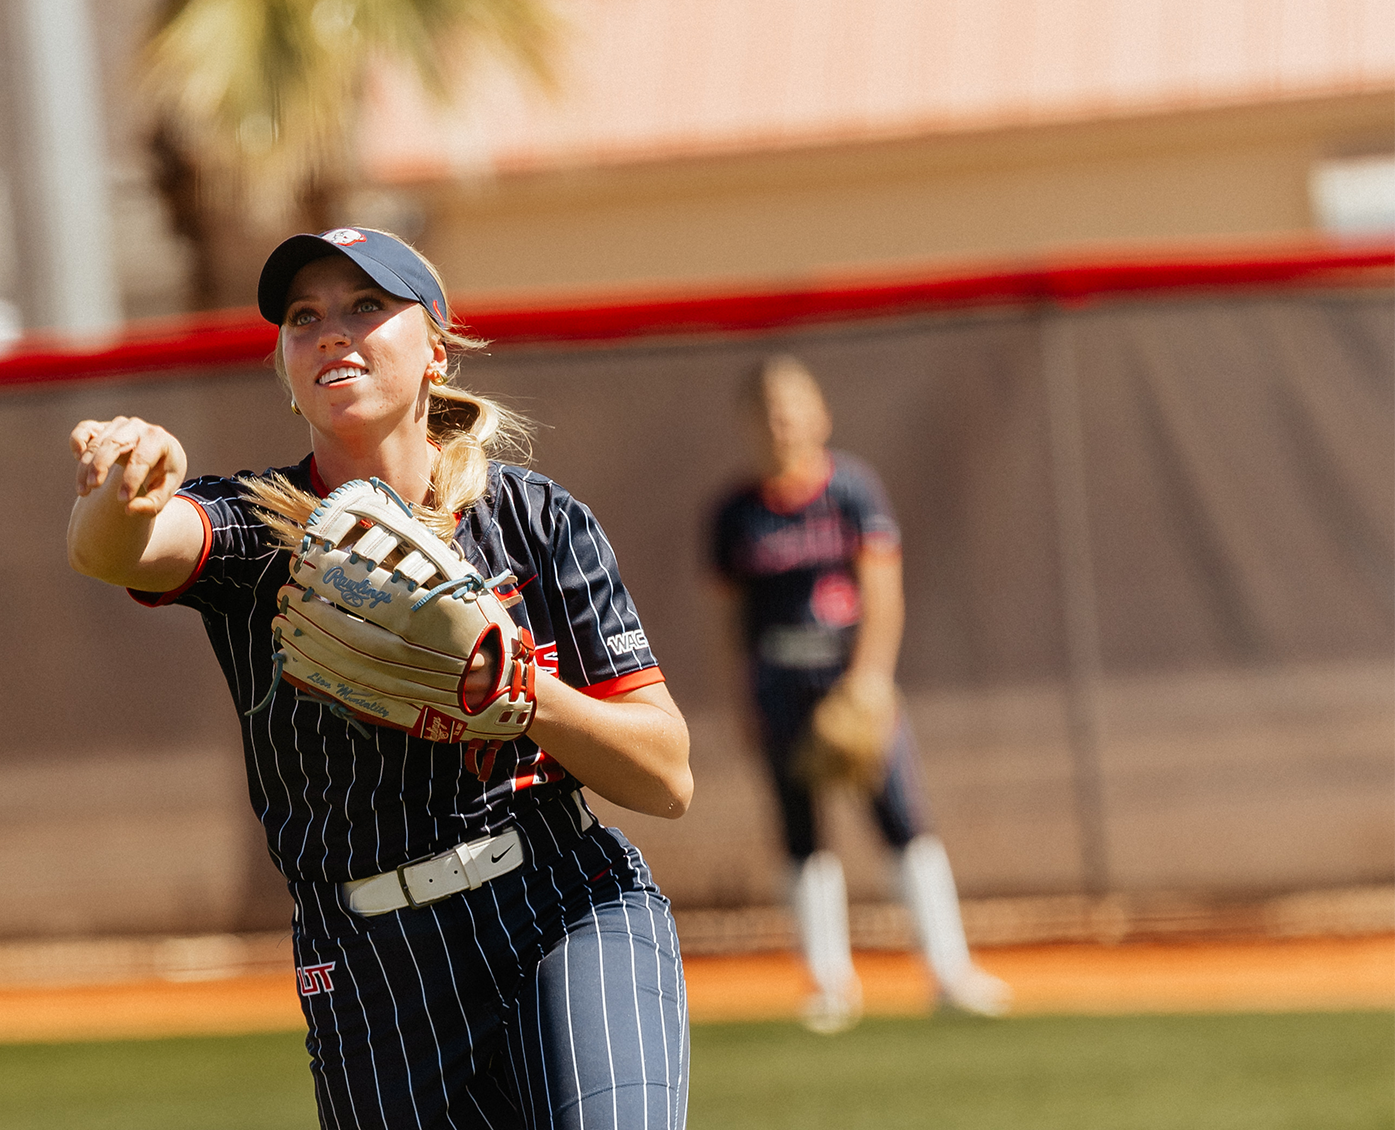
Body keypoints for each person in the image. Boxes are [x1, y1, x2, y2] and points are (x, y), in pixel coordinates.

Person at [68, 227, 693, 1129]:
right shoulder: (261, 529)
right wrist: (121, 489)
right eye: (303, 316)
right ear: (286, 368)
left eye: (366, 306)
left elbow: (667, 776)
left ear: (436, 349)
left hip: (562, 906)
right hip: (368, 966)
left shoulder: (533, 521)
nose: (331, 332)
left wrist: (518, 692)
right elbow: (118, 550)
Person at [708, 354, 1010, 1035]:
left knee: (904, 821)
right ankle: (829, 984)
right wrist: (741, 696)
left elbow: (884, 593)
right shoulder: (734, 513)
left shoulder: (851, 490)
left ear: (819, 414)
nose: (781, 426)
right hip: (780, 685)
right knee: (799, 831)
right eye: (767, 414)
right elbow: (728, 618)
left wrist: (871, 683)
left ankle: (949, 972)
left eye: (791, 410)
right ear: (750, 425)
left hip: (851, 681)